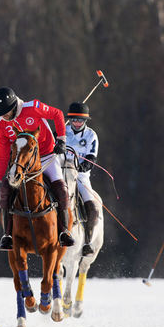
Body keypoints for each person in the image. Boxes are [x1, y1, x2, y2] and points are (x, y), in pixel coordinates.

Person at [0, 87, 75, 251]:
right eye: (1, 113)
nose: (4, 116)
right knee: (6, 190)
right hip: (21, 164)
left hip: (47, 157)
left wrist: (61, 140)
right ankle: (7, 236)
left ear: (14, 106)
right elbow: (2, 155)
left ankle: (65, 232)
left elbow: (57, 114)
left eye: (6, 112)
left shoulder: (33, 107)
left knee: (61, 189)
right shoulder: (1, 126)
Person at [65, 101, 100, 256]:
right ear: (70, 119)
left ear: (86, 121)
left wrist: (79, 167)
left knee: (92, 207)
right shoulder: (61, 131)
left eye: (80, 120)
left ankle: (87, 242)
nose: (77, 123)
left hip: (80, 177)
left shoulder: (91, 135)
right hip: (60, 174)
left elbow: (91, 159)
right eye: (74, 120)